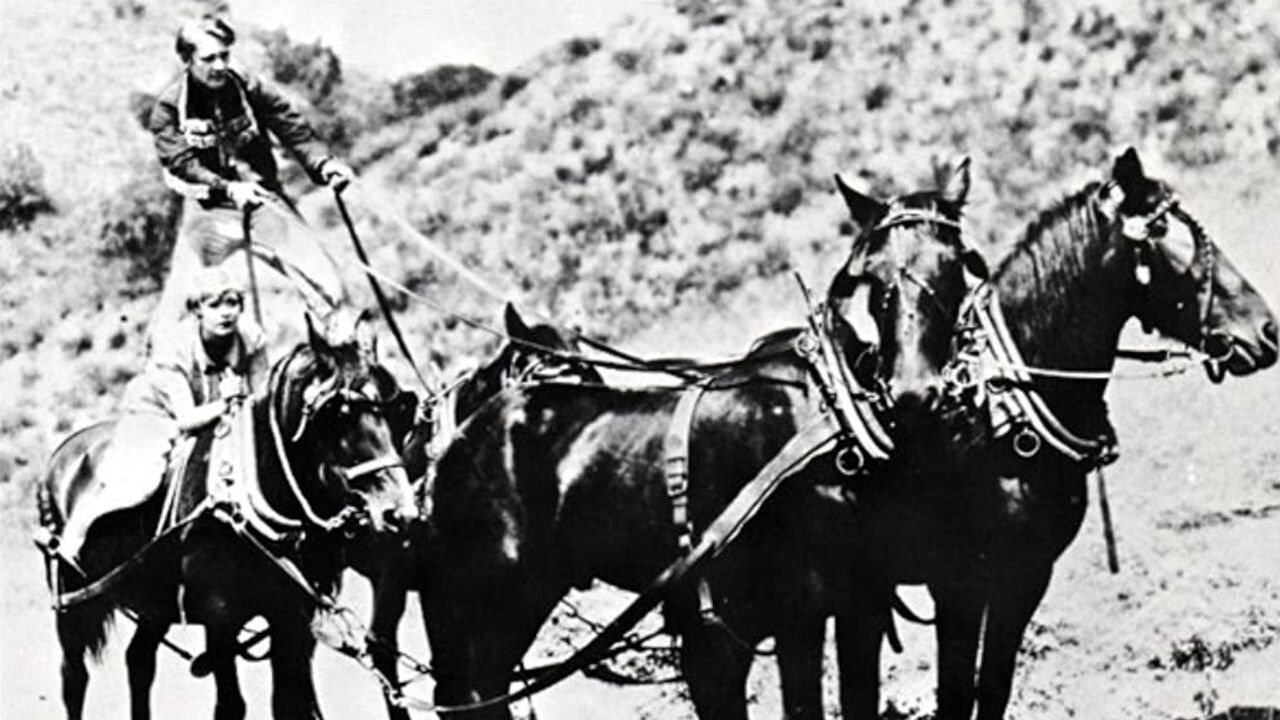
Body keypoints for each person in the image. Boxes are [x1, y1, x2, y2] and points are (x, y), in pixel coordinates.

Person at [147, 14, 355, 340]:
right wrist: (227, 187)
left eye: (224, 56)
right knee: (179, 309)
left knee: (325, 283)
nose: (219, 66)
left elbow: (291, 126)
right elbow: (182, 162)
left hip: (263, 201)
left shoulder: (249, 87)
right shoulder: (169, 109)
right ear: (187, 60)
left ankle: (348, 372)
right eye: (208, 59)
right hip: (208, 211)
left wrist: (323, 164)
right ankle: (166, 379)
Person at [59, 267, 268, 561]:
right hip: (158, 412)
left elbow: (261, 399)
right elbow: (185, 418)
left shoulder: (251, 339)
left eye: (232, 303)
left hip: (218, 409)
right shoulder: (174, 346)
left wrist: (244, 405)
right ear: (197, 310)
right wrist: (227, 401)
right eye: (214, 304)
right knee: (141, 484)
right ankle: (77, 531)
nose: (225, 313)